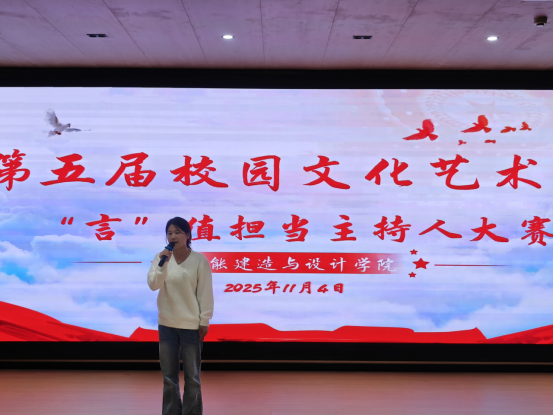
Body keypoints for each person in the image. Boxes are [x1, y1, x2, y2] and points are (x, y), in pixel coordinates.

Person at [147, 217, 214, 415]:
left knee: (192, 378)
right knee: (169, 379)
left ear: (188, 235)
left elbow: (205, 293)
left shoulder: (199, 260)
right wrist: (163, 264)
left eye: (177, 232)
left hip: (191, 326)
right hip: (167, 324)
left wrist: (204, 320)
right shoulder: (161, 257)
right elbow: (153, 285)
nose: (173, 236)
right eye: (169, 233)